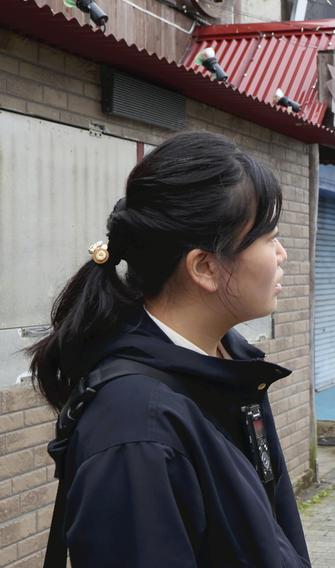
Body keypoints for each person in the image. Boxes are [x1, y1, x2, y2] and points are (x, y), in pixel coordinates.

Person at [29, 132, 312, 567]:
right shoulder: (134, 430)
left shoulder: (230, 365)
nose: (282, 253)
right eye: (267, 237)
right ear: (204, 267)